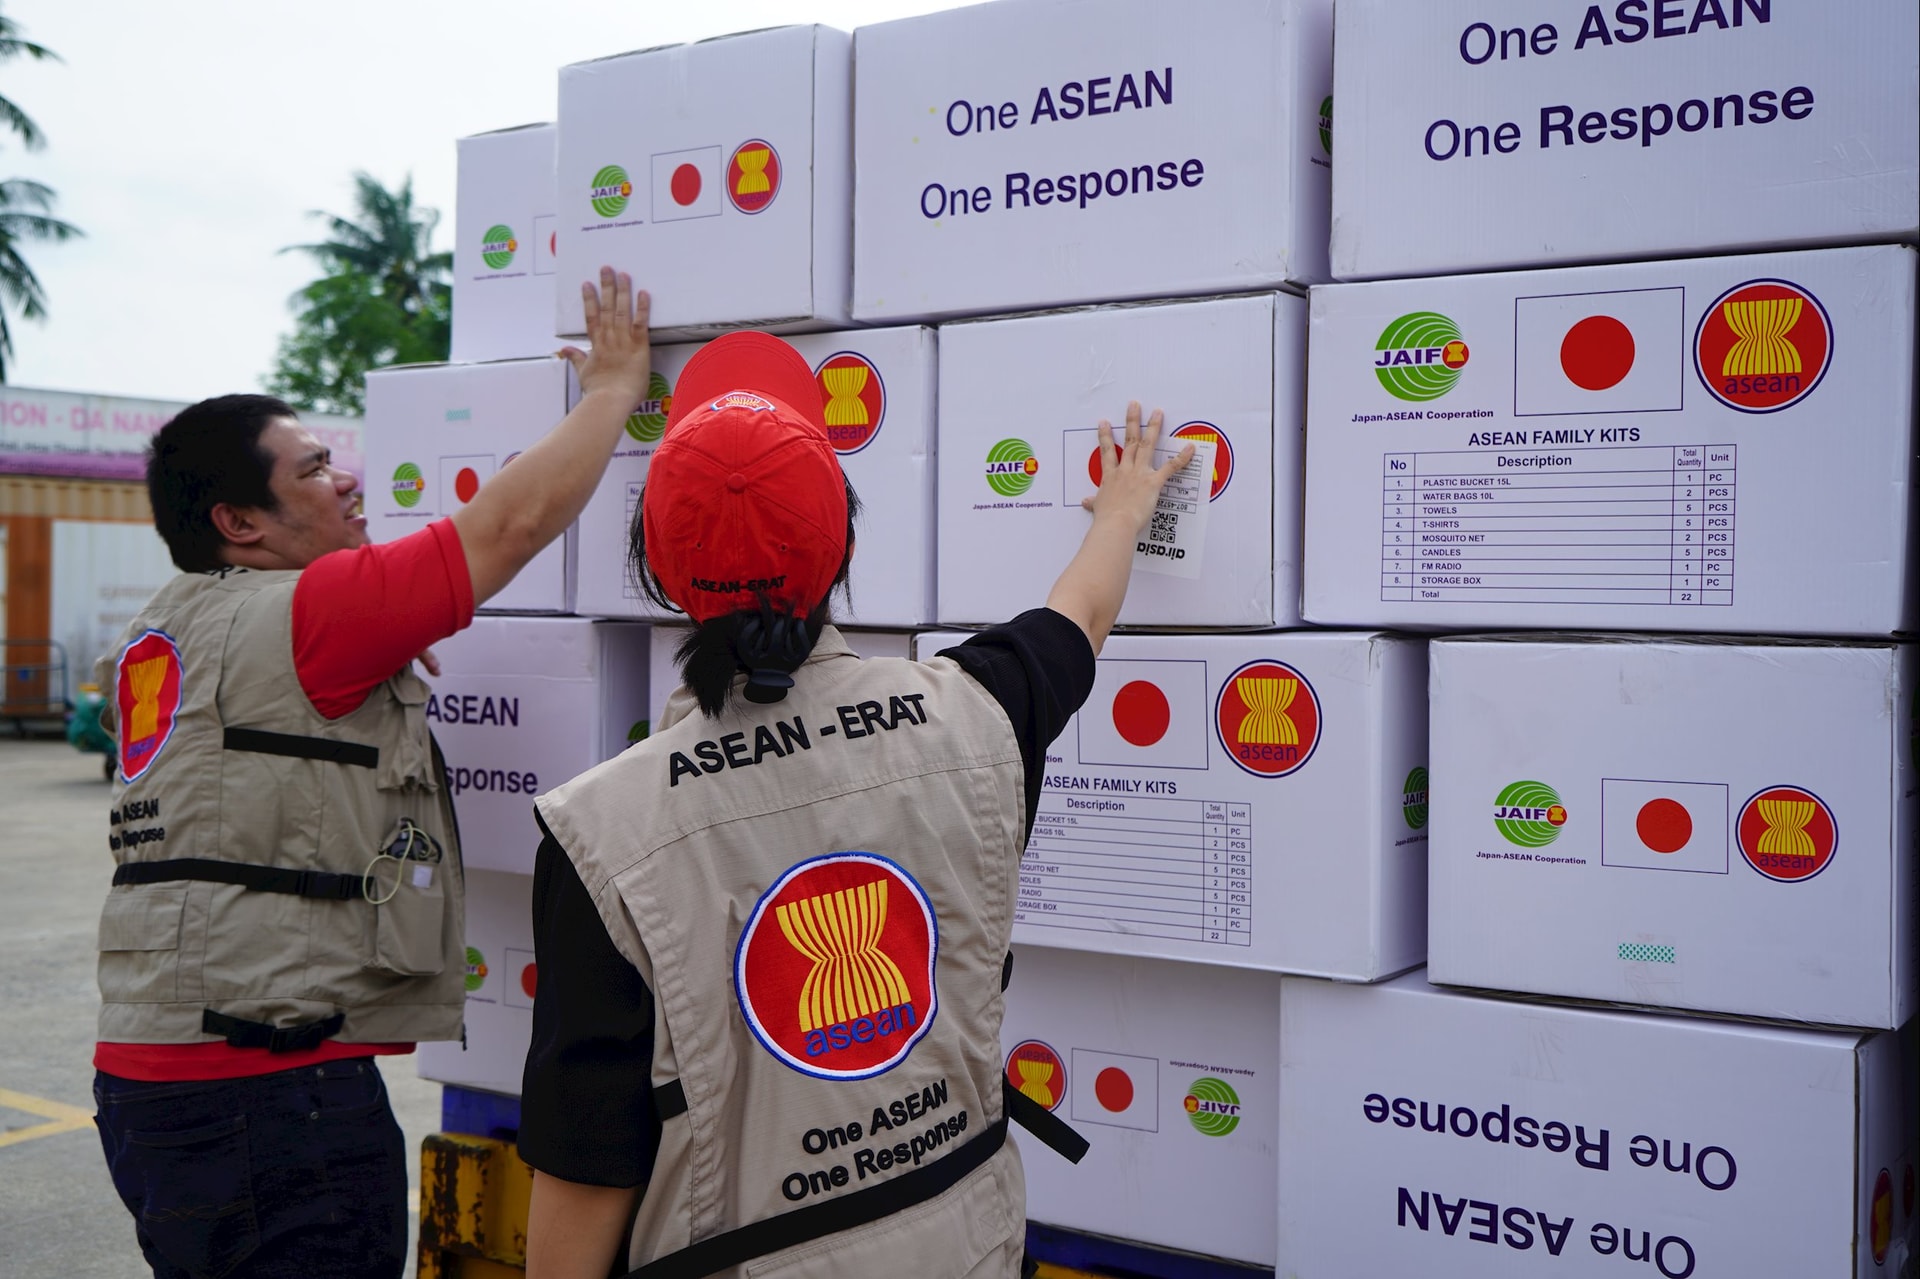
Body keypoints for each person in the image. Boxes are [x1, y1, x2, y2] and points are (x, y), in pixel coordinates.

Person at [519, 329, 1194, 1279]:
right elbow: (1080, 616)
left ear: (663, 575)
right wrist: (1124, 507)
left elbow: (587, 1174)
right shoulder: (976, 711)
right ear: (839, 545)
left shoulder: (601, 833)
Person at [91, 270, 654, 1279]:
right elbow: (508, 528)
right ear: (241, 521)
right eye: (313, 468)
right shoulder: (314, 613)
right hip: (267, 1092)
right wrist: (615, 387)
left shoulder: (166, 625)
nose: (348, 478)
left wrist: (378, 635)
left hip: (153, 1079)